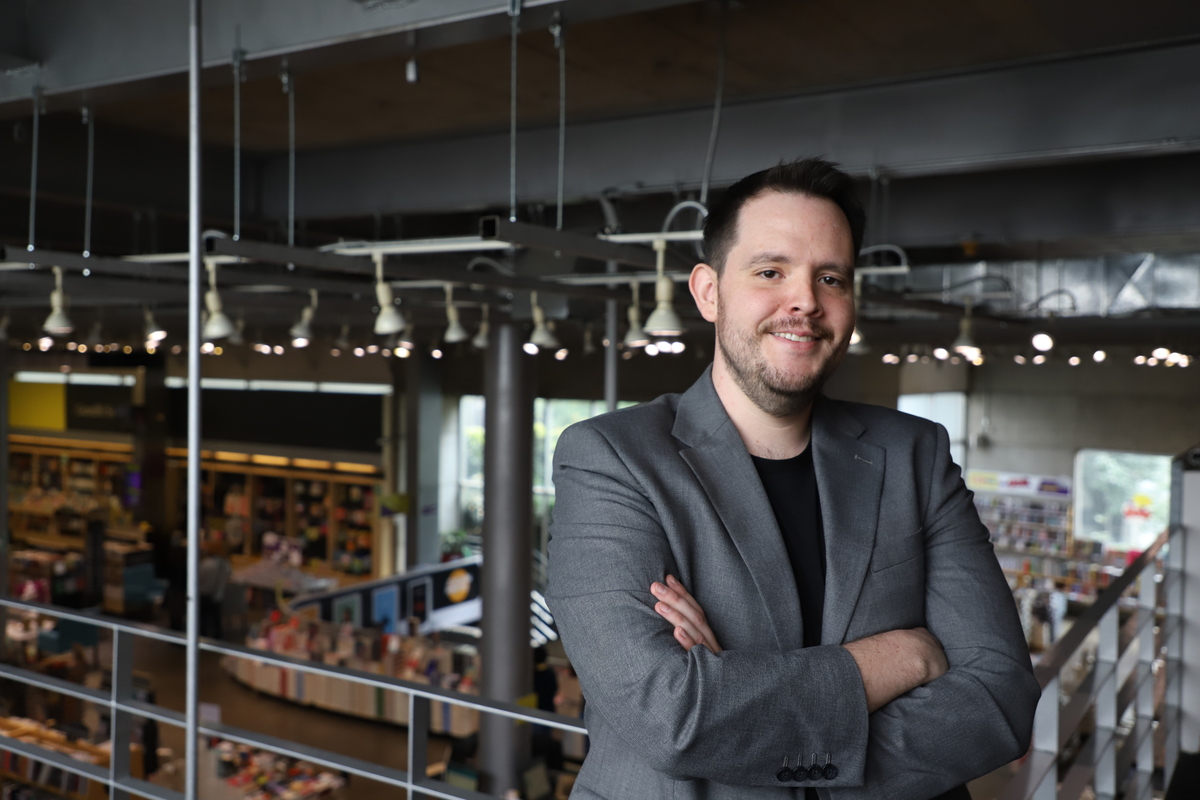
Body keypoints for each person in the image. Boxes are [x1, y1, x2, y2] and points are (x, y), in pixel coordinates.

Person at [546, 158, 1040, 800]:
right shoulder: (610, 458)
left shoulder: (914, 454)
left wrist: (746, 713)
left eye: (831, 277)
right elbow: (673, 716)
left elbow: (999, 696)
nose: (805, 300)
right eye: (770, 271)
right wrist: (903, 658)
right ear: (708, 291)